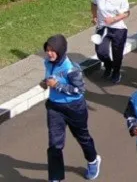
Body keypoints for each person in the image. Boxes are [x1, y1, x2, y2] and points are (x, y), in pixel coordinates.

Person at [42, 34, 102, 181]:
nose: (49, 53)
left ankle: (93, 160)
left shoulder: (71, 68)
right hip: (55, 107)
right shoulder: (48, 63)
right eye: (47, 49)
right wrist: (45, 82)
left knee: (82, 137)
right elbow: (51, 77)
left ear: (61, 50)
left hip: (74, 108)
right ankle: (55, 178)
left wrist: (57, 85)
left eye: (52, 50)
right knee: (55, 145)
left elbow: (79, 90)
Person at [91, 0, 130, 84]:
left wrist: (113, 19)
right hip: (102, 27)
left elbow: (127, 13)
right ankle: (109, 66)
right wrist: (94, 16)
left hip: (118, 29)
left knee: (117, 53)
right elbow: (93, 4)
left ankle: (116, 72)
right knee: (100, 51)